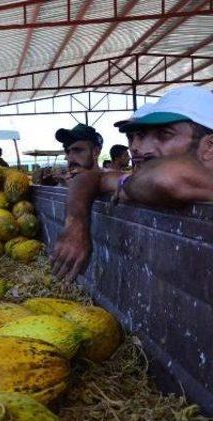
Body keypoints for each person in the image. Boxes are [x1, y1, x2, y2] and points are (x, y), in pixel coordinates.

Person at [50, 86, 213, 282]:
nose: (141, 148)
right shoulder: (144, 179)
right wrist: (75, 225)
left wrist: (126, 184)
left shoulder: (169, 177)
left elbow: (166, 178)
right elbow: (90, 178)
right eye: (142, 136)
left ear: (209, 147)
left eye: (164, 135)